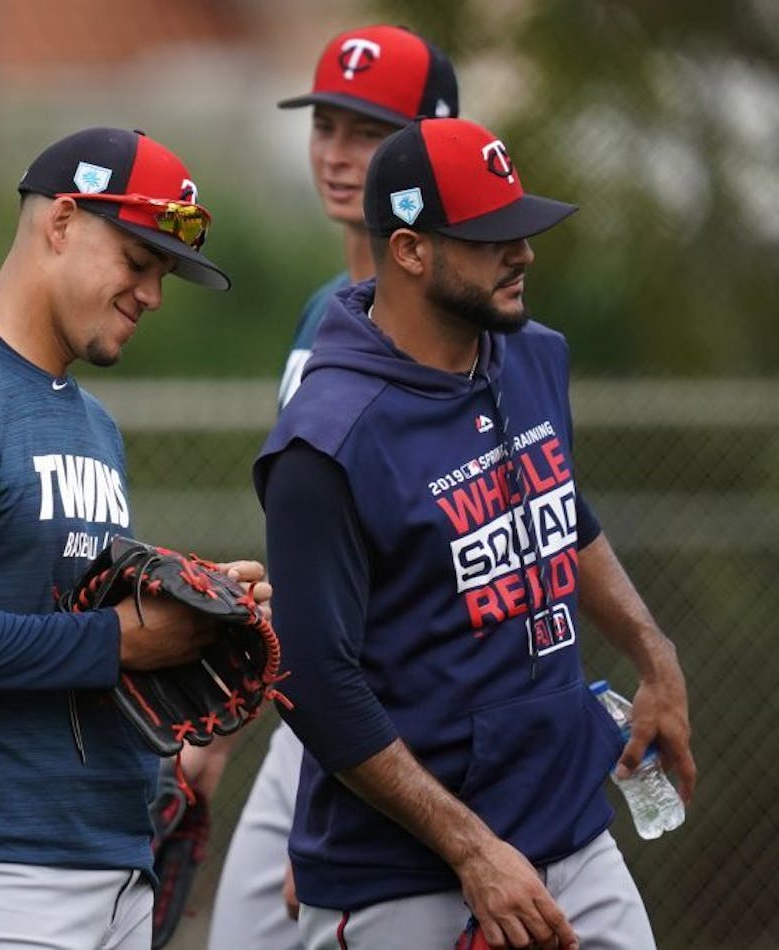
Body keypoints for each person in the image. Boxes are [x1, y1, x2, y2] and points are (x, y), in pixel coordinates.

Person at [255, 116, 697, 949]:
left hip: (568, 829)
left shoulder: (532, 355)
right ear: (413, 251)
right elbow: (311, 678)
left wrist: (653, 652)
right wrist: (472, 849)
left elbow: (560, 509)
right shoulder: (329, 438)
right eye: (492, 236)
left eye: (521, 228)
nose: (523, 252)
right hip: (406, 879)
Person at [0, 127, 268, 950]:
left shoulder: (92, 422)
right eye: (138, 260)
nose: (152, 292)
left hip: (109, 854)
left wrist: (192, 612)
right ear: (63, 222)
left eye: (164, 274)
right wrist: (122, 640)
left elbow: (60, 605)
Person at [207, 25, 461, 949]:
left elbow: (460, 571)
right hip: (316, 701)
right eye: (327, 124)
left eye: (371, 130)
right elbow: (314, 569)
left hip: (409, 724)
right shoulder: (326, 310)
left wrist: (355, 815)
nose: (340, 153)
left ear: (433, 145)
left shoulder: (450, 325)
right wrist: (229, 726)